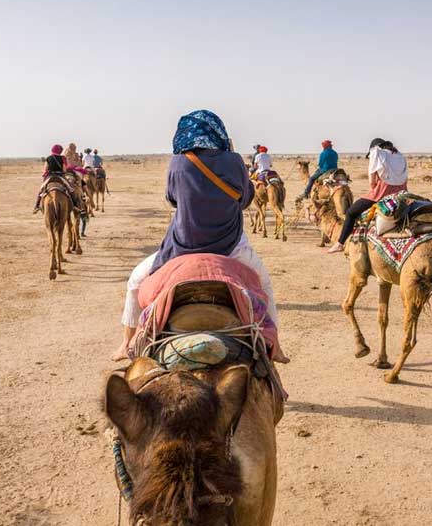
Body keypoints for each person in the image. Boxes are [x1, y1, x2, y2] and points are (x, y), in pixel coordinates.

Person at [111, 110, 281, 362]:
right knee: (263, 284)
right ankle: (273, 345)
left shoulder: (178, 162)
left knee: (136, 280)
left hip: (181, 249)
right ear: (217, 131)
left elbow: (171, 198)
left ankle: (126, 344)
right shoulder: (234, 161)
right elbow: (245, 200)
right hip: (232, 248)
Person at [327, 138, 408, 253]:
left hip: (382, 193)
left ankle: (340, 243)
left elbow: (372, 182)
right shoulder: (400, 156)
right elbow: (405, 179)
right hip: (401, 194)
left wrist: (373, 194)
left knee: (350, 213)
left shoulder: (377, 153)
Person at [33, 144, 83, 212]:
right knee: (70, 189)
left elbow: (45, 169)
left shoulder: (48, 158)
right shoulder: (62, 158)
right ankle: (75, 205)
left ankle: (37, 206)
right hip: (60, 176)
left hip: (50, 177)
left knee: (41, 189)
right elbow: (64, 170)